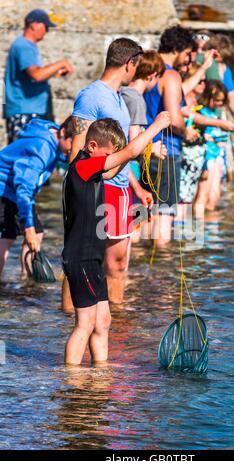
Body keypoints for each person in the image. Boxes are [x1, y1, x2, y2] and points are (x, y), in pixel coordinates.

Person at [63, 112, 170, 365]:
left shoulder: (92, 169)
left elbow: (112, 171)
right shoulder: (82, 166)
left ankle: (100, 371)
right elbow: (130, 151)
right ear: (92, 147)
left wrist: (130, 169)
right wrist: (156, 126)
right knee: (85, 324)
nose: (110, 160)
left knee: (103, 321)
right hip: (81, 257)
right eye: (109, 154)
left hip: (93, 257)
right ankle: (71, 379)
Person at [62, 37, 152, 312]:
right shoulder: (92, 96)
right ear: (129, 64)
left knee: (118, 262)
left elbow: (120, 150)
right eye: (136, 66)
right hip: (99, 188)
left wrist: (136, 186)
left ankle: (113, 325)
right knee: (83, 257)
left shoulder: (119, 98)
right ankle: (72, 320)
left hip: (121, 187)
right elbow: (78, 152)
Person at [143, 26, 202, 247]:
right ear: (178, 49)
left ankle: (139, 268)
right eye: (188, 53)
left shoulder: (145, 68)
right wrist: (187, 132)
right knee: (165, 215)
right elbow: (175, 119)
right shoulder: (170, 75)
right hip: (167, 151)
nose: (188, 59)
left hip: (144, 147)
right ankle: (161, 272)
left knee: (143, 213)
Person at [0, 116, 73, 276]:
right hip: (4, 187)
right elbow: (23, 188)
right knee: (7, 237)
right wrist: (28, 228)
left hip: (16, 189)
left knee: (37, 233)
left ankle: (26, 279)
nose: (72, 152)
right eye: (72, 145)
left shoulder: (53, 137)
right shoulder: (41, 148)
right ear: (62, 132)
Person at [4, 9, 73, 143]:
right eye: (45, 26)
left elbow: (36, 75)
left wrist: (54, 72)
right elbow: (37, 75)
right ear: (34, 24)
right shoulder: (24, 46)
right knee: (25, 158)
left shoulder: (27, 46)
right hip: (24, 112)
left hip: (28, 111)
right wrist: (61, 63)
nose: (47, 30)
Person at [120, 50, 166, 241]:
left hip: (117, 167)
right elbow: (133, 143)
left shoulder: (120, 92)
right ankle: (135, 269)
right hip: (130, 169)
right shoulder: (137, 100)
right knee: (134, 227)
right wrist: (152, 149)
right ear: (152, 75)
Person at [196, 80, 234, 211]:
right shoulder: (201, 112)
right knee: (203, 195)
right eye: (217, 100)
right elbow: (201, 135)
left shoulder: (214, 114)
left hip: (217, 156)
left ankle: (211, 228)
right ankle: (198, 229)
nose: (220, 104)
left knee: (214, 196)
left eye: (222, 101)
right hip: (207, 157)